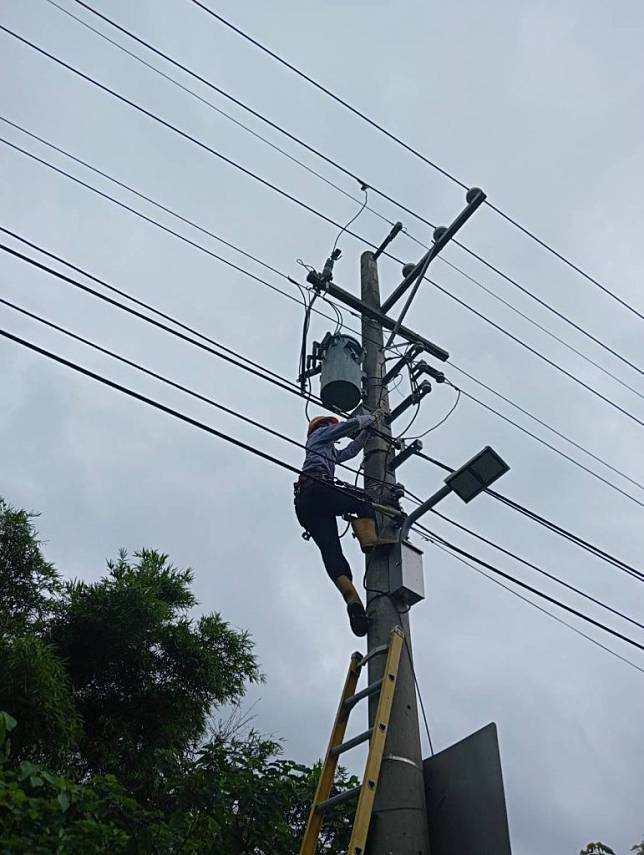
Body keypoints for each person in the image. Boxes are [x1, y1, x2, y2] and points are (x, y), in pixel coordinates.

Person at [294, 410, 393, 637]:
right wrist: (372, 417)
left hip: (306, 505)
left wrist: (366, 435)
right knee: (363, 499)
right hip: (318, 488)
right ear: (323, 426)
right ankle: (370, 541)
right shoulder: (319, 435)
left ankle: (352, 600)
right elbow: (346, 427)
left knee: (332, 552)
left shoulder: (325, 449)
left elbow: (349, 451)